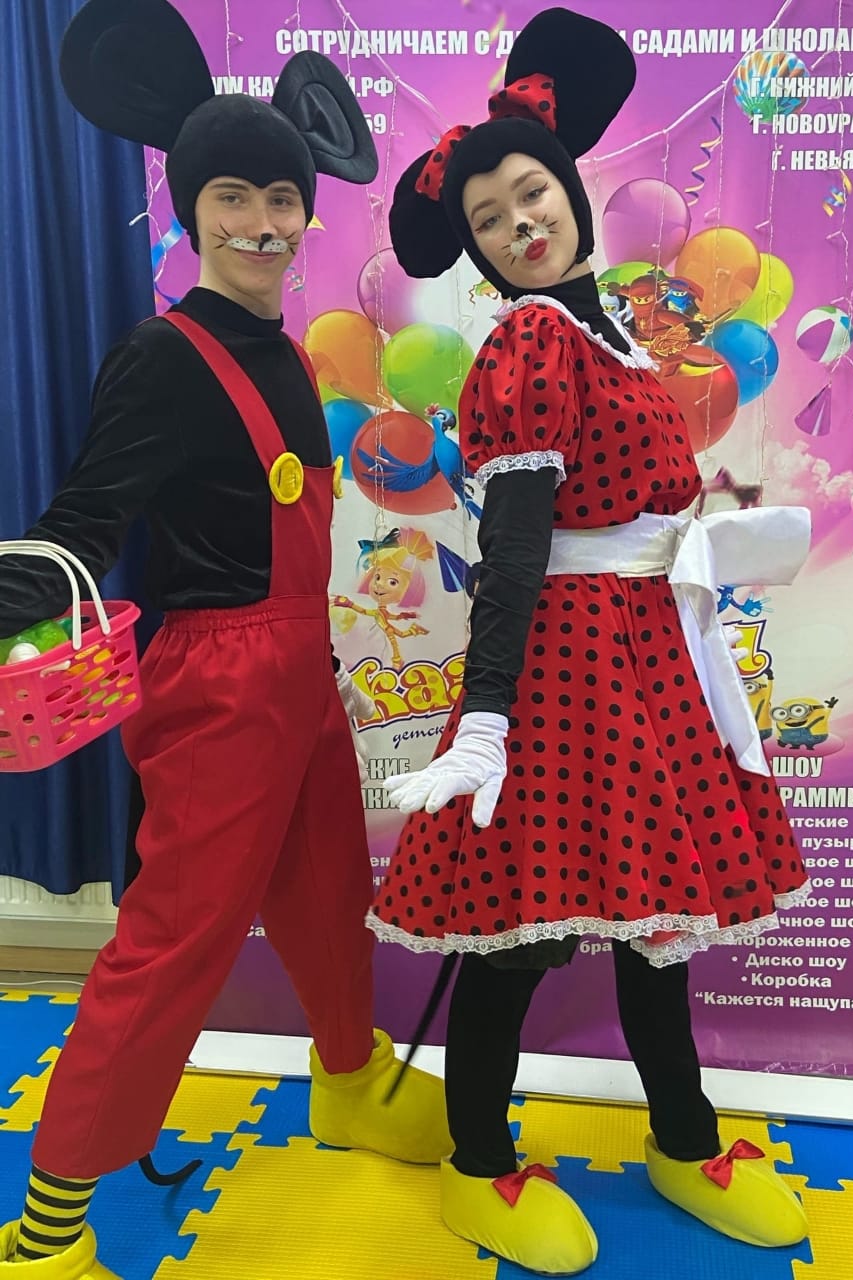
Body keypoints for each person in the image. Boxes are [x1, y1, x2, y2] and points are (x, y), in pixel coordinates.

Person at [0, 1, 449, 1273]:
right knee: (172, 943)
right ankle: (49, 1220)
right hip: (218, 691)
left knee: (332, 898)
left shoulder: (290, 353)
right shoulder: (163, 355)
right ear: (191, 208)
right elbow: (80, 523)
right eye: (234, 197)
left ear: (309, 211)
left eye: (282, 198)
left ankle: (347, 1082)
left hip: (303, 671)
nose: (262, 221)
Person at [366, 9, 812, 1275]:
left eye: (533, 194)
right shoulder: (528, 341)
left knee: (654, 918)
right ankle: (478, 1161)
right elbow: (514, 546)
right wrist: (487, 717)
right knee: (526, 932)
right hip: (564, 669)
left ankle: (684, 1135)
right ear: (479, 252)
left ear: (569, 190)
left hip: (648, 654)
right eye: (490, 219)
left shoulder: (608, 327)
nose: (521, 224)